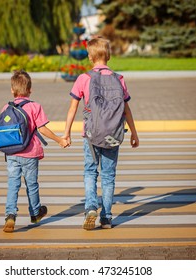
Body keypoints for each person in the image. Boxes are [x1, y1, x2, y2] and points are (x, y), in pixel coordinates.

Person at [63, 37, 140, 230]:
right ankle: (106, 217)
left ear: (90, 57)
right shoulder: (118, 79)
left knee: (90, 171)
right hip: (113, 134)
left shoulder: (84, 79)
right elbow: (126, 110)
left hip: (90, 135)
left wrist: (66, 133)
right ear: (109, 56)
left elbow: (72, 108)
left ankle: (90, 207)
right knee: (108, 176)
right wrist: (134, 133)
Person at [3, 70, 69, 233]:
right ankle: (35, 213)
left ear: (12, 90)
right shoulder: (35, 107)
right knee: (31, 184)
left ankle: (10, 215)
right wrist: (59, 139)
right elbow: (43, 129)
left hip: (11, 153)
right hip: (30, 153)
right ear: (30, 90)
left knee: (13, 184)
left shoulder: (6, 107)